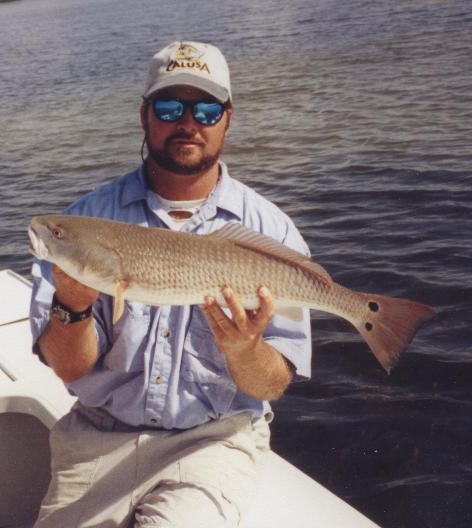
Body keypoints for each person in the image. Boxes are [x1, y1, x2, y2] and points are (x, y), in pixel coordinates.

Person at [29, 41, 312, 527]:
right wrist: (72, 306)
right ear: (144, 116)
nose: (188, 123)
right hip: (98, 434)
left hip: (214, 439)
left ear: (227, 118)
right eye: (169, 107)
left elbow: (272, 384)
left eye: (205, 109)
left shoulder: (271, 230)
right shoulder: (86, 222)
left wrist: (245, 349)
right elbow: (70, 370)